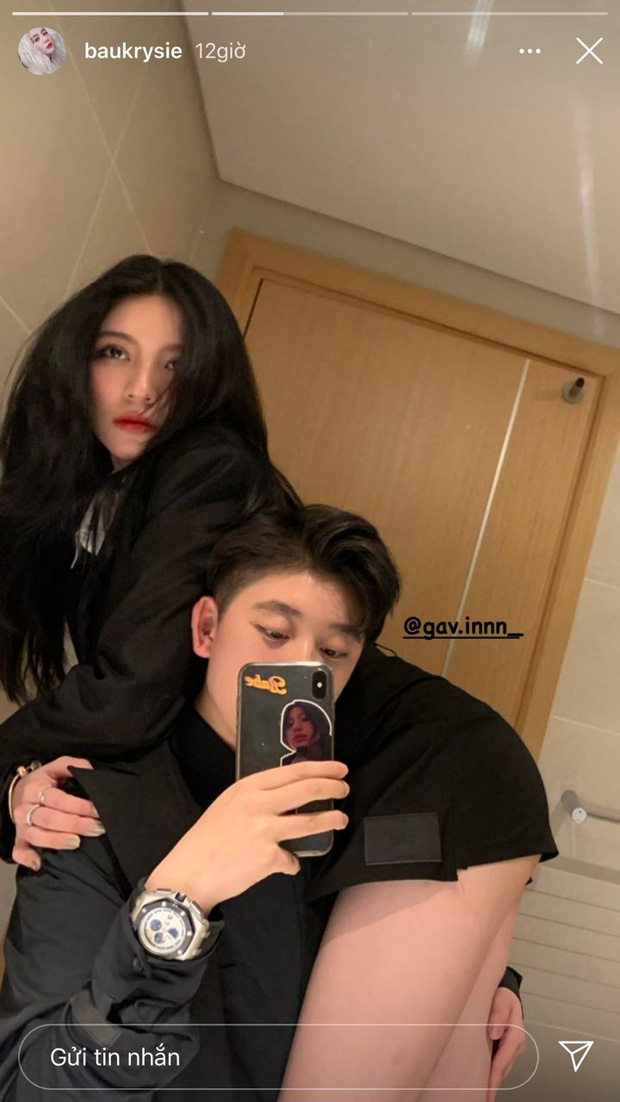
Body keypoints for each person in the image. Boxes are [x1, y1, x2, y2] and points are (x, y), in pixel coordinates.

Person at [0, 505, 558, 1100]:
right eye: (274, 633)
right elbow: (34, 1086)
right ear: (206, 628)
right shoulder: (96, 815)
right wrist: (177, 902)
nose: (301, 666)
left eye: (333, 652)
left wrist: (471, 982)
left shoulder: (354, 807)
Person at [0, 254, 297, 874]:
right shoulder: (96, 500)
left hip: (376, 767)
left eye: (175, 365)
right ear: (74, 361)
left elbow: (133, 691)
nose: (143, 389)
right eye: (115, 353)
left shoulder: (211, 465)